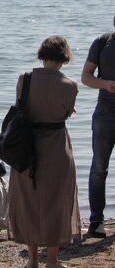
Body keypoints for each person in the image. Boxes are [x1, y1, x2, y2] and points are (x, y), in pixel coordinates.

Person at [8, 36, 81, 268]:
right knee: (56, 202)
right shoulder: (70, 84)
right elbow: (66, 112)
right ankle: (52, 260)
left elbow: (23, 106)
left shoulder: (24, 79)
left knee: (29, 201)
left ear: (42, 54)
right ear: (64, 56)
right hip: (56, 147)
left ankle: (31, 260)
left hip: (26, 147)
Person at [81, 17, 115, 239]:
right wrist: (106, 84)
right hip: (105, 112)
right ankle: (96, 221)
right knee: (99, 167)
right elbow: (86, 77)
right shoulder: (102, 42)